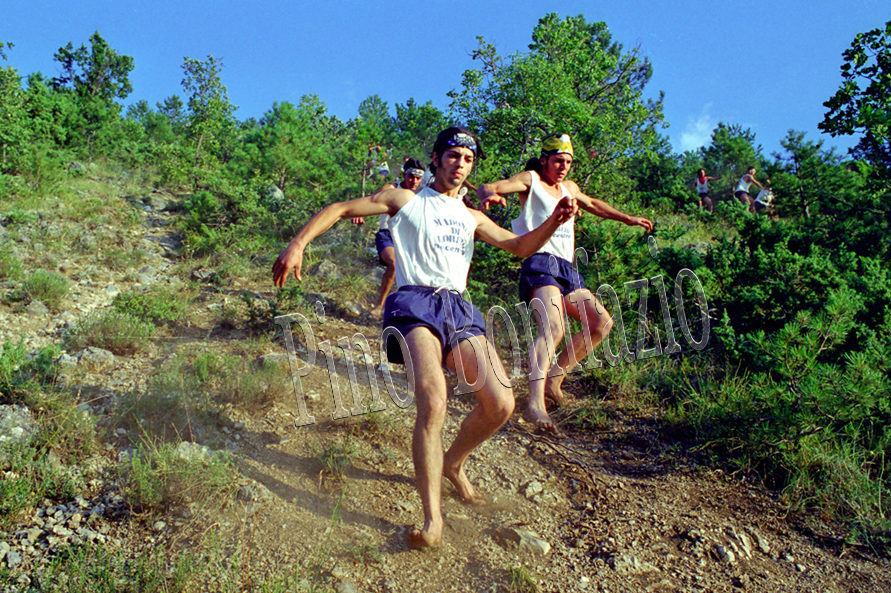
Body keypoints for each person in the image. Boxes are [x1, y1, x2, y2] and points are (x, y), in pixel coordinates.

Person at [272, 127, 577, 548]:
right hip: (414, 303)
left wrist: (553, 221)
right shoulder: (407, 200)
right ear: (436, 158)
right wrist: (298, 243)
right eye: (453, 155)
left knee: (502, 402)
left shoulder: (473, 216)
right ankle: (433, 519)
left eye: (468, 159)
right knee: (434, 401)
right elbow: (341, 208)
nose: (461, 164)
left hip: (458, 307)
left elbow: (522, 246)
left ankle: (453, 464)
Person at [477, 133, 653, 433]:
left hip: (566, 268)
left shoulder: (569, 188)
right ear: (545, 159)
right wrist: (489, 194)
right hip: (539, 260)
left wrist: (628, 218)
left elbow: (595, 204)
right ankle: (535, 404)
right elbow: (491, 186)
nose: (564, 167)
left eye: (568, 162)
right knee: (554, 328)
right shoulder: (531, 179)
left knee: (601, 323)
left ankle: (555, 378)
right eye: (558, 160)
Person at [353, 158, 426, 318]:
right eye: (411, 176)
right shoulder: (391, 188)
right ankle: (379, 307)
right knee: (394, 263)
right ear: (404, 175)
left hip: (409, 238)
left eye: (418, 178)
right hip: (387, 234)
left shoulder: (422, 193)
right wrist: (358, 212)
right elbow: (369, 201)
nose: (414, 181)